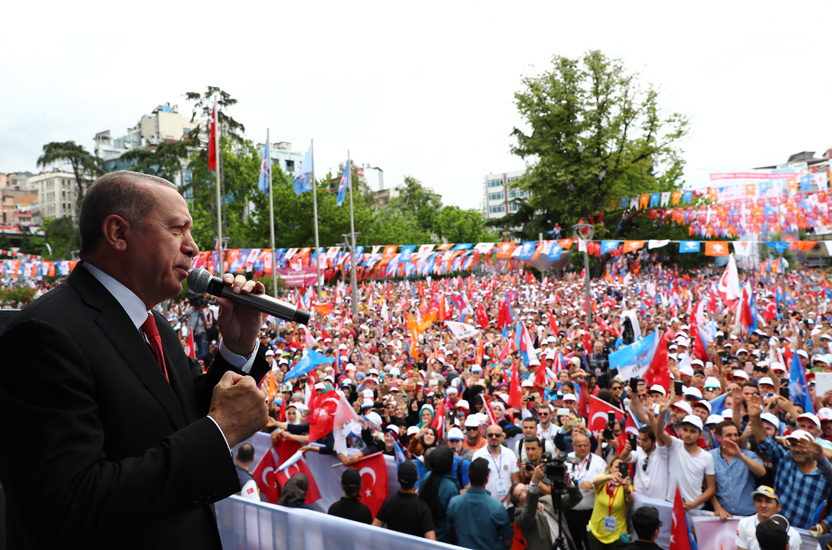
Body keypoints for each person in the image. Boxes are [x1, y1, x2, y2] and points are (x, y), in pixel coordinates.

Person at [0, 171, 270, 549]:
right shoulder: (47, 334)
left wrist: (237, 349)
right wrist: (218, 433)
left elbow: (185, 414)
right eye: (178, 229)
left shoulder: (151, 320)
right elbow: (67, 506)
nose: (193, 248)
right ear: (118, 233)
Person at [747, 393, 832, 530]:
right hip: (777, 530)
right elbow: (764, 440)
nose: (797, 449)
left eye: (803, 445)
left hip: (807, 536)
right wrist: (755, 417)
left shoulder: (826, 472)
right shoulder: (784, 459)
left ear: (813, 447)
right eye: (793, 444)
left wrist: (825, 525)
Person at [655, 399, 715, 510]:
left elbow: (711, 488)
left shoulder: (707, 457)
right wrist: (662, 414)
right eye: (685, 430)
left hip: (695, 508)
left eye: (692, 431)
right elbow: (659, 433)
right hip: (671, 505)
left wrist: (695, 503)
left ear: (700, 435)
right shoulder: (675, 445)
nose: (688, 434)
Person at [446, 457, 513, 550]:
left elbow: (450, 533)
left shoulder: (454, 503)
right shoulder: (498, 508)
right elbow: (508, 541)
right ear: (487, 479)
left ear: (468, 476)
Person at [512, 463, 582, 550]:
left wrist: (568, 483)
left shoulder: (548, 500)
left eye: (526, 486)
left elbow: (576, 498)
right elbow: (529, 512)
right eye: (521, 491)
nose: (526, 489)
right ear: (519, 504)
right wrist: (534, 482)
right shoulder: (519, 515)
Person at [709, 420, 765, 519]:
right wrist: (717, 507)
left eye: (736, 435)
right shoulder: (710, 457)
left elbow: (761, 472)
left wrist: (739, 455)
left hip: (748, 515)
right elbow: (708, 486)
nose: (734, 438)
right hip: (724, 516)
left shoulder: (748, 455)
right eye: (729, 435)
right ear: (718, 437)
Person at [564, 432, 607, 550]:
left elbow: (605, 483)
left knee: (590, 544)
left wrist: (593, 485)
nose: (583, 448)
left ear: (589, 445)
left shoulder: (598, 462)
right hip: (570, 512)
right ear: (573, 446)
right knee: (573, 544)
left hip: (590, 512)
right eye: (579, 445)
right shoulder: (568, 458)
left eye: (585, 445)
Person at [373, 460, 436, 539]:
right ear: (416, 479)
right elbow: (432, 541)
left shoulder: (388, 503)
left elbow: (373, 530)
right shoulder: (423, 508)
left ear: (398, 480)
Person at [587, 455, 634, 549]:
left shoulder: (626, 486)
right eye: (616, 467)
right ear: (610, 468)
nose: (618, 470)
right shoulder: (603, 479)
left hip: (617, 535)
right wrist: (610, 477)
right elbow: (595, 482)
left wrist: (626, 489)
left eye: (621, 467)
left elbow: (631, 500)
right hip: (597, 533)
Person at [735, 486, 802, 550]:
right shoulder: (744, 523)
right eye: (759, 500)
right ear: (754, 503)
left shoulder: (793, 535)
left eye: (768, 501)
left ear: (778, 507)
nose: (763, 505)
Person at [418, 445, 460, 543]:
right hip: (442, 539)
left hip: (424, 534)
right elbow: (453, 518)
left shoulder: (427, 476)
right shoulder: (450, 487)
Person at [473, 424, 520, 504]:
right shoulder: (478, 455)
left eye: (497, 435)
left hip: (508, 505)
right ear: (486, 436)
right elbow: (475, 483)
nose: (494, 437)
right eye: (490, 435)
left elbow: (515, 481)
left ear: (502, 436)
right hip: (485, 504)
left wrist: (506, 502)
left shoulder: (510, 454)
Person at [618, 425, 668, 500]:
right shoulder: (638, 450)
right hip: (638, 498)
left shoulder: (663, 453)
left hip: (659, 499)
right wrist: (626, 450)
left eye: (645, 440)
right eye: (639, 439)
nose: (641, 443)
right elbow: (623, 458)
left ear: (654, 441)